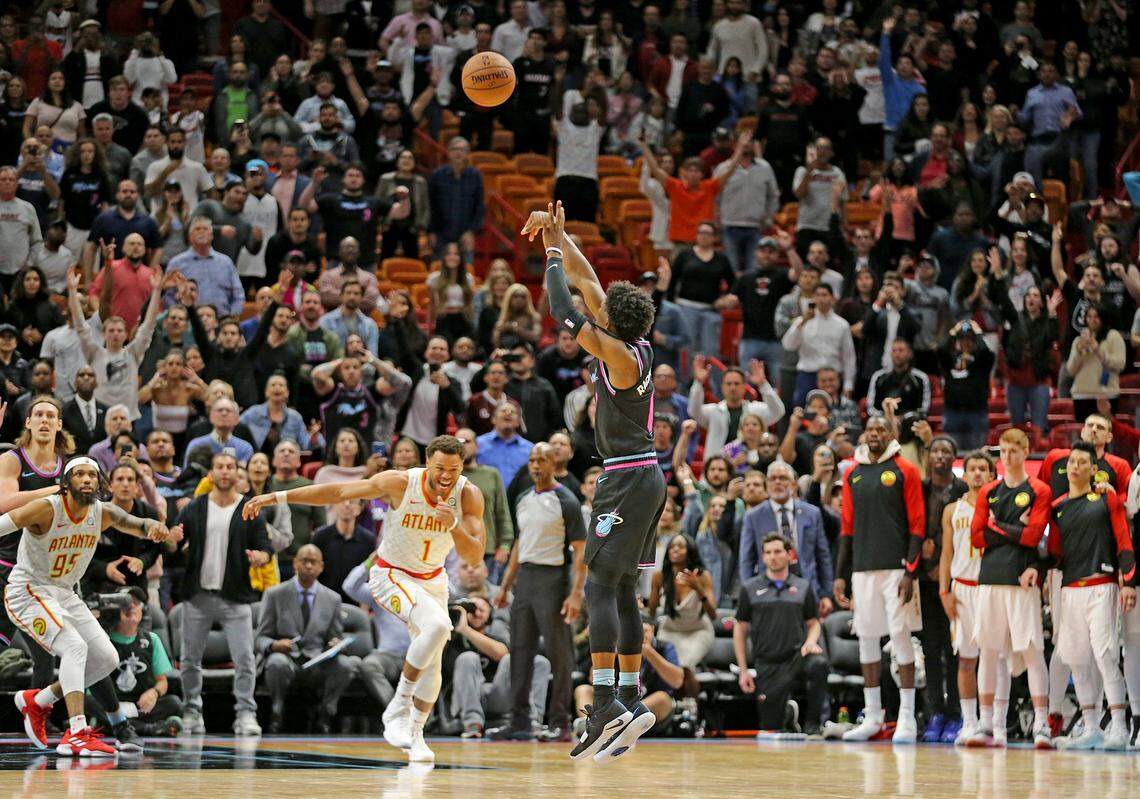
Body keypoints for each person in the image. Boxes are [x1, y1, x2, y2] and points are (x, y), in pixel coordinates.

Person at [522, 201, 665, 763]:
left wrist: (552, 254)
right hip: (646, 476)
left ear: (611, 323)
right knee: (623, 587)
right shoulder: (636, 343)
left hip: (626, 479)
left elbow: (563, 304)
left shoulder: (615, 354)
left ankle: (604, 702)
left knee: (601, 586)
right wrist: (562, 235)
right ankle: (628, 700)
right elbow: (589, 282)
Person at [243, 435, 486, 764]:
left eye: (453, 470)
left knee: (434, 655)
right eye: (439, 467)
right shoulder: (400, 483)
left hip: (433, 580)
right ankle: (398, 709)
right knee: (439, 626)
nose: (446, 475)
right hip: (391, 573)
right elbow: (337, 492)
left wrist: (453, 525)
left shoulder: (468, 494)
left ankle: (414, 735)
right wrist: (277, 496)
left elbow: (474, 554)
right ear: (426, 462)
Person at [3, 456, 176, 757]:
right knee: (74, 647)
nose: (86, 479)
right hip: (28, 590)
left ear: (99, 482)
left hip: (65, 592)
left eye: (92, 475)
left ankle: (40, 700)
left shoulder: (102, 512)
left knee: (106, 658)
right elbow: (6, 523)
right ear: (66, 482)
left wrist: (153, 526)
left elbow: (134, 523)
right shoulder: (47, 507)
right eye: (79, 474)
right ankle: (77, 733)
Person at [835, 416, 925, 742]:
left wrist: (911, 571)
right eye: (870, 430)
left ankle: (906, 717)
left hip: (896, 568)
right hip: (862, 568)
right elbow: (847, 527)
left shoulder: (905, 469)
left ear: (890, 434)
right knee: (867, 639)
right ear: (864, 435)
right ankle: (872, 716)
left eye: (880, 430)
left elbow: (918, 523)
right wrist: (841, 574)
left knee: (900, 637)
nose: (875, 434)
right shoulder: (853, 473)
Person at [490, 443, 586, 741]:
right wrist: (506, 585)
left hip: (553, 578)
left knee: (560, 653)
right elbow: (519, 546)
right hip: (526, 580)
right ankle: (519, 721)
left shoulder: (566, 500)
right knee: (519, 651)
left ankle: (561, 722)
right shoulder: (522, 498)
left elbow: (581, 550)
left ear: (552, 463)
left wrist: (575, 594)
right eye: (532, 460)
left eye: (541, 460)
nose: (535, 465)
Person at [174, 452, 271, 736]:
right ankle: (192, 710)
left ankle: (245, 713)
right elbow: (174, 543)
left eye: (231, 467)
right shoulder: (195, 507)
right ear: (212, 474)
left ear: (237, 473)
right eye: (220, 467)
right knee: (190, 659)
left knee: (245, 658)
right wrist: (173, 541)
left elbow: (266, 546)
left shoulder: (249, 508)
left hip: (235, 595)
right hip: (198, 595)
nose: (225, 471)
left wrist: (261, 557)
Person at [967, 428, 1053, 748]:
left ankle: (1042, 725)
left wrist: (996, 525)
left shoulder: (1039, 489)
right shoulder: (988, 491)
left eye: (1014, 451)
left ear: (1026, 451)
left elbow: (1033, 537)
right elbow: (976, 538)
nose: (1007, 457)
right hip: (989, 578)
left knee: (1032, 651)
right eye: (1002, 451)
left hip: (1021, 579)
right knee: (988, 652)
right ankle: (988, 724)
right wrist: (1015, 527)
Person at [1044, 442, 1133, 750]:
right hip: (1069, 589)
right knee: (1078, 660)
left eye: (1083, 462)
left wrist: (1130, 582)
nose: (1075, 466)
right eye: (1072, 461)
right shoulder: (1057, 507)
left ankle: (1120, 726)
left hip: (1102, 584)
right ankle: (1091, 727)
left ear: (1093, 469)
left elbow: (1123, 539)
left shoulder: (1106, 498)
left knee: (1106, 655)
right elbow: (1054, 553)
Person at [938, 450, 1007, 745]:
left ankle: (994, 723)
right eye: (973, 469)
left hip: (992, 587)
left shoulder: (1000, 506)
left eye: (983, 469)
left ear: (993, 475)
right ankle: (969, 722)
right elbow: (946, 554)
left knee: (998, 658)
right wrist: (944, 590)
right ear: (963, 476)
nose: (978, 473)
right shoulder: (952, 510)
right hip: (962, 588)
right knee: (966, 659)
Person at [735, 533, 828, 734]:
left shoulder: (803, 586)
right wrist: (743, 670)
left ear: (789, 555)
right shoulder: (749, 588)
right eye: (767, 552)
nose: (772, 556)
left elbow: (814, 623)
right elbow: (740, 628)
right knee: (770, 728)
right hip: (767, 662)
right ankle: (787, 715)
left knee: (819, 664)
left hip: (796, 657)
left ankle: (813, 726)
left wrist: (811, 641)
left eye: (777, 551)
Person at [256, 544, 354, 734]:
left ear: (321, 567)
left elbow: (335, 636)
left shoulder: (333, 598)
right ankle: (277, 711)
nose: (308, 566)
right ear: (295, 564)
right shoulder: (274, 594)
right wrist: (274, 645)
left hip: (317, 661)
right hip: (287, 659)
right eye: (304, 561)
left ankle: (325, 714)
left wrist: (335, 644)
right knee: (276, 662)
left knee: (345, 665)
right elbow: (259, 638)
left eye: (313, 562)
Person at [739, 460, 833, 611]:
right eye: (772, 479)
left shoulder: (812, 513)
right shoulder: (753, 516)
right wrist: (748, 593)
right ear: (767, 485)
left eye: (782, 478)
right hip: (767, 590)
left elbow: (823, 555)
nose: (777, 482)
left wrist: (826, 593)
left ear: (794, 484)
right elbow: (746, 560)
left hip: (807, 588)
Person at [97, 585, 183, 736]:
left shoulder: (151, 639)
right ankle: (150, 728)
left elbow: (162, 681)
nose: (131, 607)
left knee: (174, 703)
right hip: (111, 705)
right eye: (126, 603)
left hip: (140, 706)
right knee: (89, 704)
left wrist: (154, 693)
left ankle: (121, 726)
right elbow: (92, 687)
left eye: (136, 603)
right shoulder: (103, 639)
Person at [687, 357, 784, 457]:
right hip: (717, 467)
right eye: (728, 384)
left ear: (744, 387)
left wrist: (763, 384)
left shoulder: (755, 410)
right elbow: (693, 411)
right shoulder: (713, 411)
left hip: (750, 467)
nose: (733, 388)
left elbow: (778, 411)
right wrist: (698, 383)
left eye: (736, 384)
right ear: (722, 387)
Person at [647, 533, 715, 669]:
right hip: (670, 630)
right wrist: (657, 590)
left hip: (697, 631)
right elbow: (651, 613)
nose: (675, 549)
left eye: (681, 546)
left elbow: (713, 614)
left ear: (690, 551)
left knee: (683, 666)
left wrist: (698, 588)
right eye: (672, 546)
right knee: (664, 667)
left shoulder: (702, 577)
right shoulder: (659, 576)